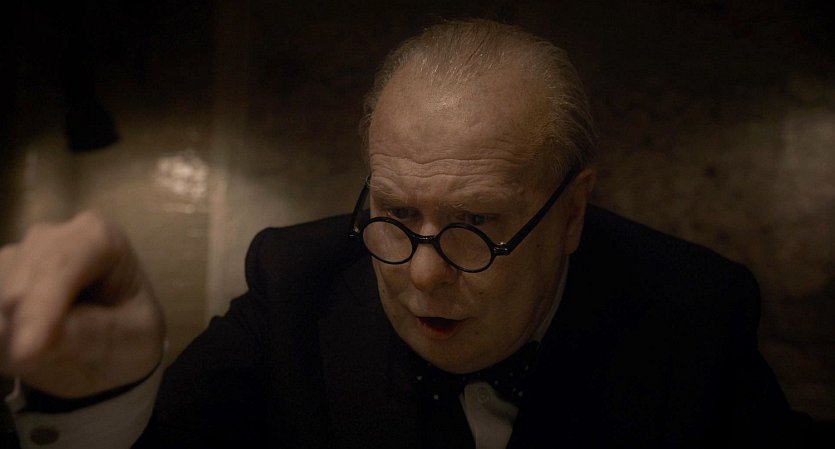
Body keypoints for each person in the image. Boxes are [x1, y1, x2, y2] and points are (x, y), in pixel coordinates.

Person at [0, 19, 815, 449]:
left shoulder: (692, 311)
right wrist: (96, 396)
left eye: (476, 223)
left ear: (571, 214)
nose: (422, 274)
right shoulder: (294, 281)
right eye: (395, 213)